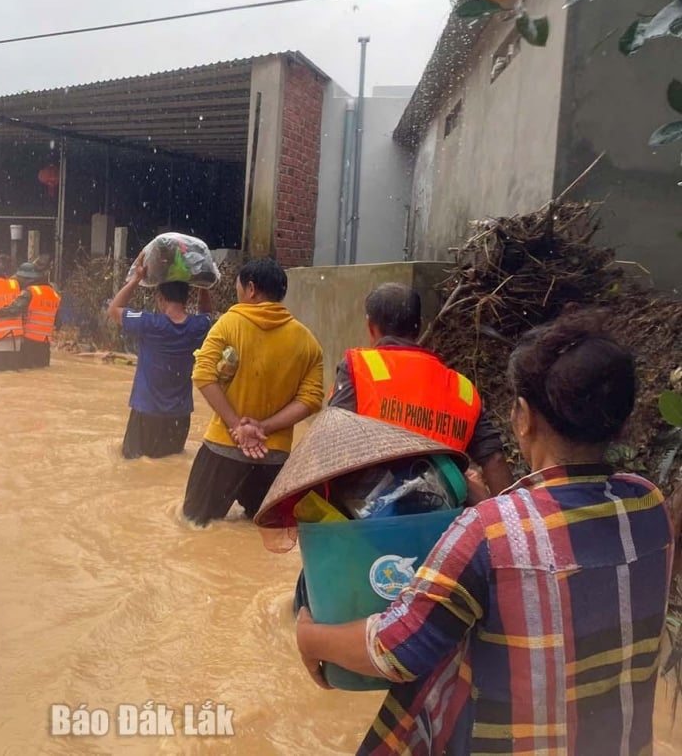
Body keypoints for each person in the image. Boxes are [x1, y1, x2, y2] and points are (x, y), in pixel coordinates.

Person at [295, 312, 674, 756]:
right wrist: (493, 498)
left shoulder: (486, 532)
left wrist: (310, 637)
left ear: (523, 418)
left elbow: (396, 650)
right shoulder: (650, 505)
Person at [292, 282, 513, 613]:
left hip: (364, 531)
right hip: (442, 540)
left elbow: (331, 439)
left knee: (312, 609)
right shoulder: (462, 389)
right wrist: (511, 533)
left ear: (371, 327)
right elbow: (493, 459)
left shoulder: (359, 368)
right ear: (418, 328)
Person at [182, 257, 324, 525]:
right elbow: (311, 400)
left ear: (251, 288)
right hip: (274, 457)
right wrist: (264, 427)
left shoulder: (228, 324)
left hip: (223, 448)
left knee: (193, 526)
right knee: (264, 532)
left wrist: (237, 426)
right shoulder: (308, 341)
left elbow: (202, 375)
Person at [107, 254, 214, 459]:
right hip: (180, 417)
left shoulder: (149, 323)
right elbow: (207, 313)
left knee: (135, 466)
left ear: (161, 299)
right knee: (170, 463)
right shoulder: (198, 327)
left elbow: (113, 310)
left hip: (147, 413)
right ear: (187, 299)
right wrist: (202, 285)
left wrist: (136, 279)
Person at [0, 262, 61, 369]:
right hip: (45, 343)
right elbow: (58, 322)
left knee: (26, 372)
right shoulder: (54, 294)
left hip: (29, 342)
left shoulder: (30, 292)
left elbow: (14, 309)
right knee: (42, 372)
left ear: (27, 279)